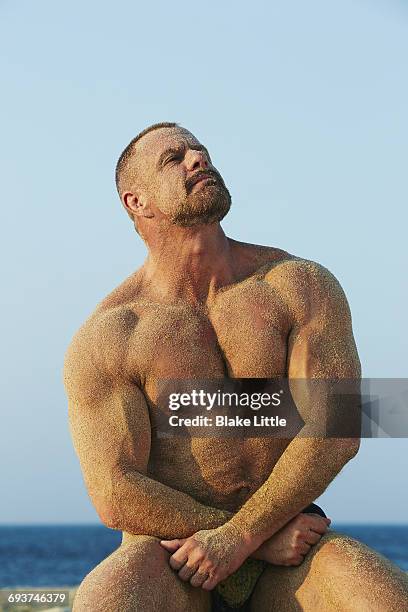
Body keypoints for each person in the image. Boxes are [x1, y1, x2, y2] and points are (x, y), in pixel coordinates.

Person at [64, 122, 408, 611]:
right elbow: (114, 489)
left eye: (200, 150)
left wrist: (241, 538)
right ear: (136, 202)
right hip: (170, 557)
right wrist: (239, 537)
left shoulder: (298, 285)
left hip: (290, 549)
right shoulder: (113, 334)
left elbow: (337, 428)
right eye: (174, 158)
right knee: (105, 602)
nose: (198, 159)